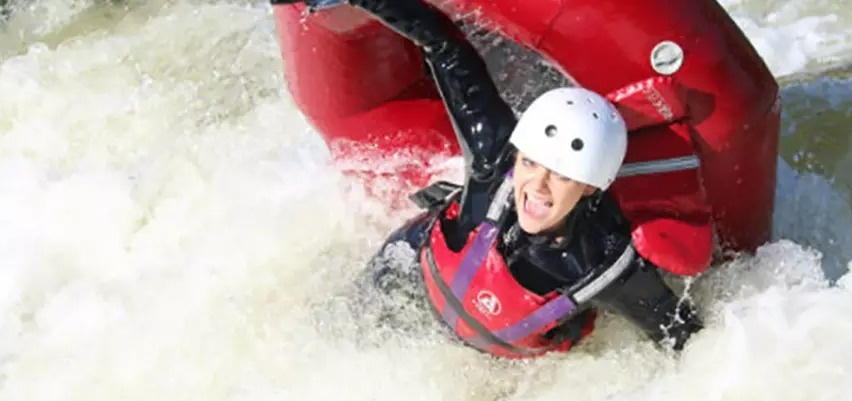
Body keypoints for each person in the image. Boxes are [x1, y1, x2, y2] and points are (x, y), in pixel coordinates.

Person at [272, 0, 704, 358]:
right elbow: (445, 48)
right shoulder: (495, 157)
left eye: (560, 176)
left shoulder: (603, 267)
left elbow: (685, 339)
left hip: (487, 356)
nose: (536, 186)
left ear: (591, 187)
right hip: (409, 272)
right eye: (532, 163)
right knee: (325, 339)